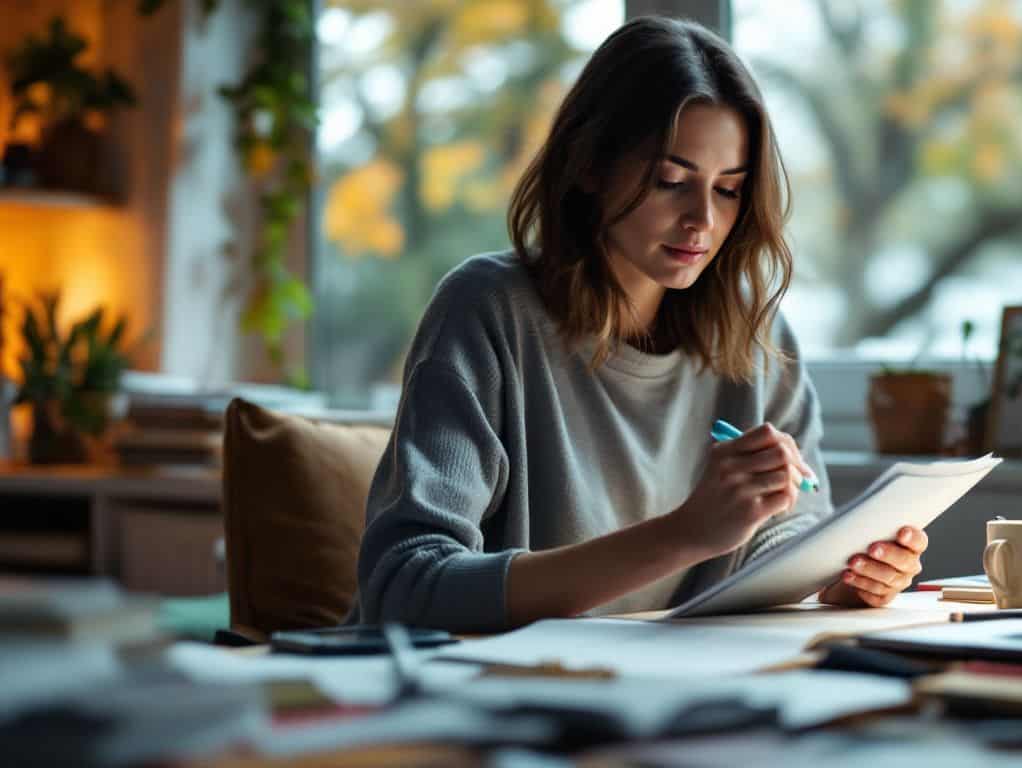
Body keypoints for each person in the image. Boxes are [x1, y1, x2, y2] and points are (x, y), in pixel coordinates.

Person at [355, 16, 928, 633]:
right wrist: (683, 535)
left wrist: (837, 580)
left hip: (667, 689)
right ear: (590, 166)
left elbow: (791, 528)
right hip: (477, 693)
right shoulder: (488, 313)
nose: (702, 220)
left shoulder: (756, 336)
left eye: (729, 191)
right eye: (670, 182)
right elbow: (404, 585)